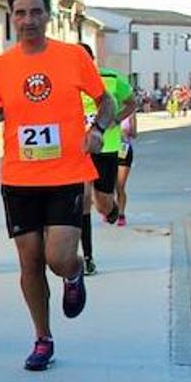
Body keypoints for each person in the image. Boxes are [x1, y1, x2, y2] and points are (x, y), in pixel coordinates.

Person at [0, 0, 115, 371]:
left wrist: (97, 128)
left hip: (66, 174)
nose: (28, 20)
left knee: (58, 257)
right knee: (30, 264)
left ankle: (75, 271)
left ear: (48, 16)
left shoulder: (72, 58)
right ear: (11, 18)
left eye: (35, 12)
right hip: (20, 180)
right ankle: (43, 338)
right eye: (20, 13)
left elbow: (106, 100)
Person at [78, 43, 137, 274]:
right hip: (79, 150)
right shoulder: (66, 82)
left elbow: (131, 103)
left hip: (106, 147)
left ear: (92, 60)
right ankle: (87, 257)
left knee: (102, 203)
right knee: (83, 200)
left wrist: (114, 120)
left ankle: (111, 209)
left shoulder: (112, 78)